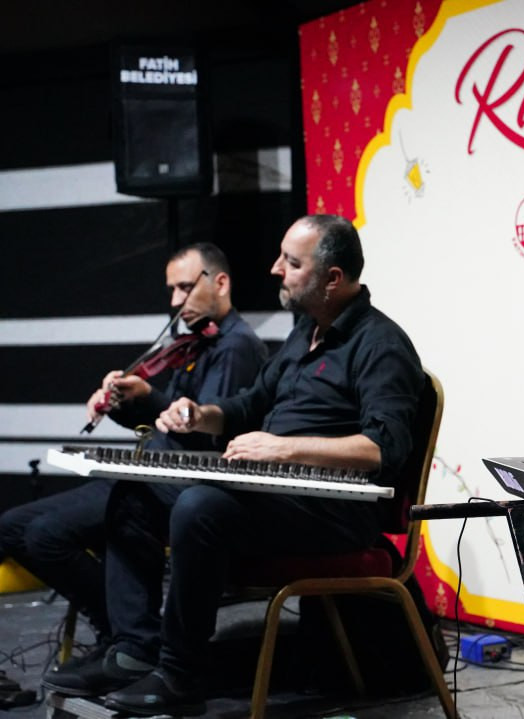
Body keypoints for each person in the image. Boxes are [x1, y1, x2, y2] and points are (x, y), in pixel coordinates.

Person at [41, 214, 426, 717]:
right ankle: (136, 650)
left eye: (291, 262)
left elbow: (385, 448)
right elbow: (248, 404)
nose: (275, 269)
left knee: (201, 507)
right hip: (279, 492)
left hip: (336, 510)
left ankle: (181, 674)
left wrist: (284, 449)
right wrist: (201, 415)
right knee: (136, 491)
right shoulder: (304, 333)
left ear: (332, 278)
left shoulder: (381, 345)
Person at [0, 243, 267, 652]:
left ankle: (124, 637)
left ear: (221, 283)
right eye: (171, 290)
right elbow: (161, 425)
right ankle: (117, 628)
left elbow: (204, 437)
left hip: (172, 485)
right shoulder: (197, 344)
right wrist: (122, 404)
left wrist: (148, 395)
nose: (175, 302)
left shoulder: (236, 347)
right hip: (146, 471)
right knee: (13, 527)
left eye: (184, 288)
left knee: (44, 536)